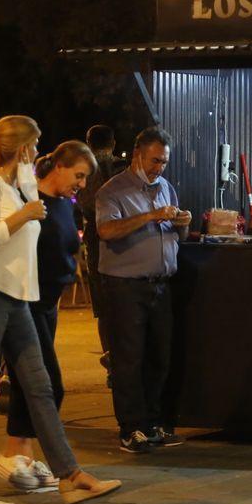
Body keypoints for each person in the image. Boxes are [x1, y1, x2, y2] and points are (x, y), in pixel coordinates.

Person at [0, 115, 120, 504]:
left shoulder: (18, 185)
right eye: (33, 147)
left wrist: (26, 191)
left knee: (41, 388)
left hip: (19, 298)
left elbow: (34, 211)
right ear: (22, 148)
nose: (38, 154)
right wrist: (22, 216)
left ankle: (70, 476)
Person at [0, 140, 96, 490]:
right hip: (25, 303)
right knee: (48, 384)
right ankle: (15, 453)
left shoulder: (66, 205)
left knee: (32, 383)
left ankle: (19, 453)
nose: (81, 184)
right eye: (79, 175)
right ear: (59, 167)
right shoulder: (28, 201)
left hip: (48, 305)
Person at [96, 126, 192, 453]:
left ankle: (153, 423)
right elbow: (106, 230)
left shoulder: (166, 188)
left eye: (164, 162)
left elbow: (178, 236)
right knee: (128, 359)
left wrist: (184, 223)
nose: (159, 168)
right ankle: (130, 427)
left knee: (158, 357)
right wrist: (151, 215)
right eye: (154, 161)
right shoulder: (113, 190)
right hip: (126, 286)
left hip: (160, 284)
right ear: (137, 155)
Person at [78, 125, 126, 381]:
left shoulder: (84, 170)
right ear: (113, 143)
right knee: (123, 302)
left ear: (88, 142)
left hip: (95, 240)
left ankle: (110, 361)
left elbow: (82, 203)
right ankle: (123, 359)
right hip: (124, 239)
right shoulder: (122, 168)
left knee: (103, 308)